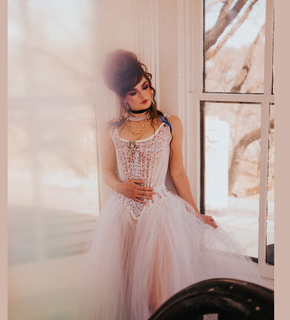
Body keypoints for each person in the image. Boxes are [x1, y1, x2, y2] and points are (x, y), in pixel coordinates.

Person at [82, 49, 262, 320]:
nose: (144, 95)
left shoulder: (168, 125)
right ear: (122, 97)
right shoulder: (113, 129)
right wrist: (123, 187)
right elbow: (106, 172)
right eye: (133, 92)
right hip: (120, 215)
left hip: (159, 214)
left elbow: (178, 173)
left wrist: (194, 212)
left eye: (144, 86)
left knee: (157, 298)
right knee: (123, 291)